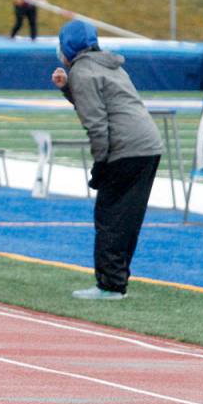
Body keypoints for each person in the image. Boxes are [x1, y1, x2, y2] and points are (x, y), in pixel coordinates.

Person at [51, 20, 163, 300]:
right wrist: (68, 89)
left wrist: (100, 165)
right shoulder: (109, 64)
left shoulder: (82, 72)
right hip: (148, 145)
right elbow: (99, 103)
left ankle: (110, 285)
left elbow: (97, 125)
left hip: (125, 148)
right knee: (127, 217)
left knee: (110, 217)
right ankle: (117, 279)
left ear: (67, 47)